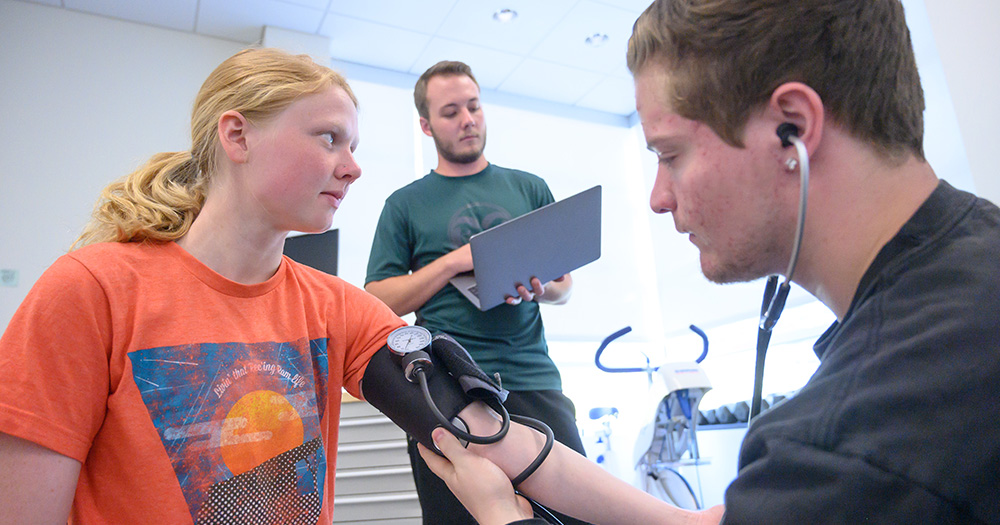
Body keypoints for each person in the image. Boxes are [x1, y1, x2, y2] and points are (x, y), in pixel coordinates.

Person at [415, 0, 1000, 523]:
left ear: (790, 126)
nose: (658, 197)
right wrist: (529, 456)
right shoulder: (969, 283)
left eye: (670, 154)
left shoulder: (849, 442)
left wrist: (500, 516)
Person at [0, 47, 404, 523]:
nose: (352, 168)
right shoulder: (92, 290)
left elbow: (464, 416)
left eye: (352, 147)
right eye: (330, 138)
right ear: (237, 136)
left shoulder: (336, 307)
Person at [365, 61, 589, 524]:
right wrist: (453, 262)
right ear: (426, 125)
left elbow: (564, 287)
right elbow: (380, 299)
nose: (467, 119)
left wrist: (540, 287)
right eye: (451, 112)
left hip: (532, 377)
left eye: (474, 106)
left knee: (575, 512)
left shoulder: (528, 188)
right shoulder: (404, 204)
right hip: (446, 387)